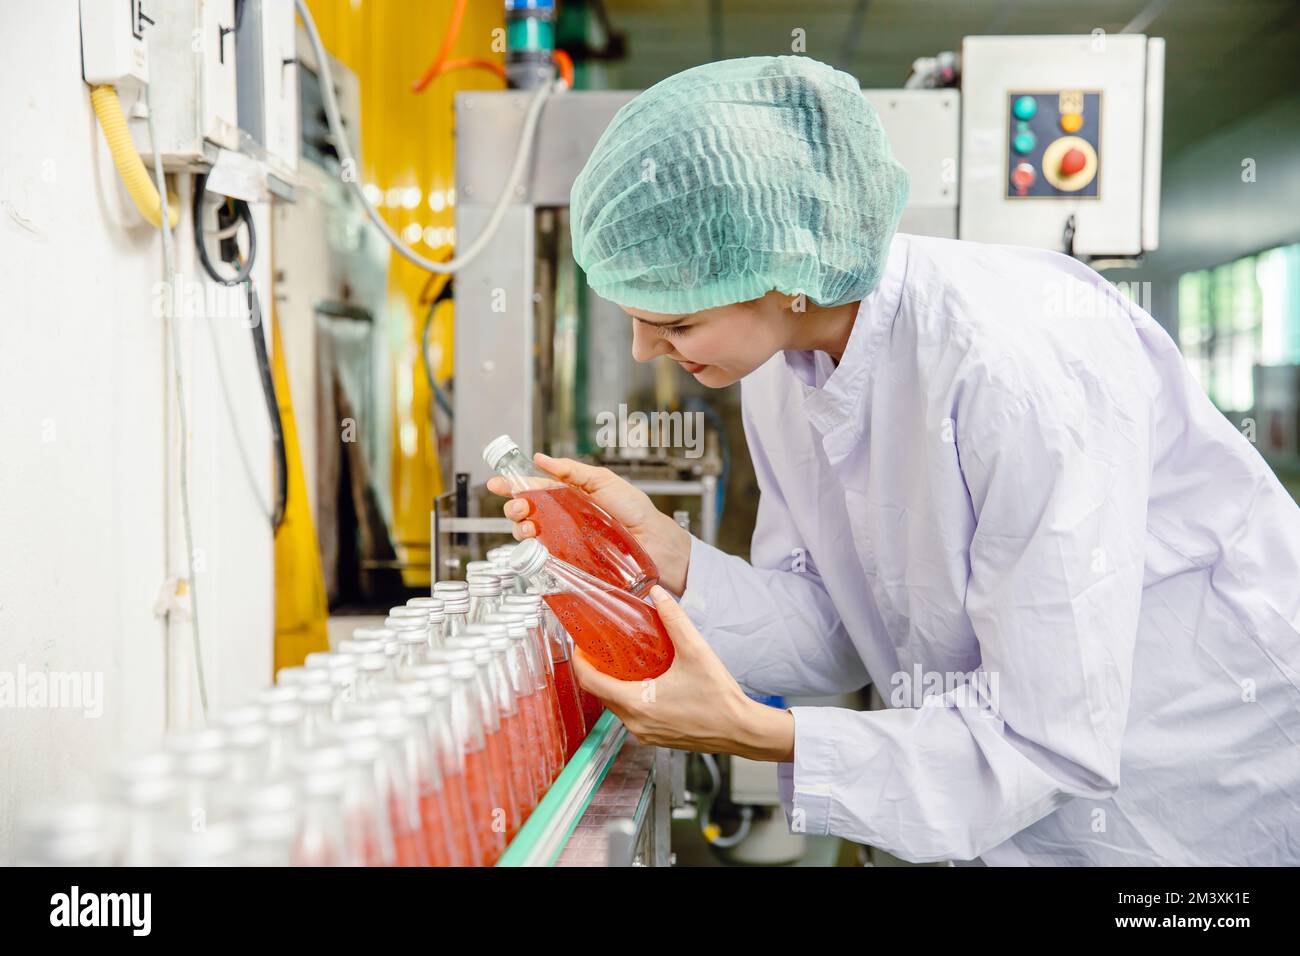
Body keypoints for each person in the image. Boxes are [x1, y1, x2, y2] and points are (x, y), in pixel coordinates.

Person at [489, 56, 1300, 865]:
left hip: (1191, 800)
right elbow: (838, 622)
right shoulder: (787, 368)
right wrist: (669, 560)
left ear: (783, 276)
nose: (645, 348)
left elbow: (1048, 739)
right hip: (1006, 800)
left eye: (675, 322)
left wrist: (760, 734)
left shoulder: (1013, 368)